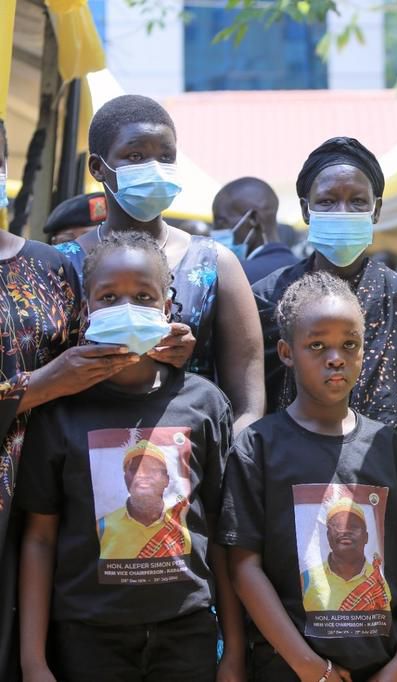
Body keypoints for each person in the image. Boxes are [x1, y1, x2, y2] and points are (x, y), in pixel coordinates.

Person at [17, 231, 244, 681]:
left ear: (166, 308)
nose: (126, 307)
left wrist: (234, 649)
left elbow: (220, 532)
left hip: (187, 633)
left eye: (143, 296)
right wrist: (33, 661)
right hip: (86, 638)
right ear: (86, 309)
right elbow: (40, 539)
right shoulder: (60, 411)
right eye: (108, 296)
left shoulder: (205, 404)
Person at [219, 271, 397, 682]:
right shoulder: (258, 448)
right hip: (290, 671)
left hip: (380, 670)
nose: (335, 357)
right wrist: (310, 666)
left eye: (348, 345)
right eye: (317, 345)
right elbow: (244, 567)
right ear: (285, 352)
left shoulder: (386, 446)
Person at [0, 119, 146, 680]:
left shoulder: (54, 267)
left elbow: (95, 373)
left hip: (54, 514)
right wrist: (37, 387)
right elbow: (59, 378)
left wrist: (158, 347)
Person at [57, 94, 265, 432]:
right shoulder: (61, 266)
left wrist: (225, 474)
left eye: (165, 156)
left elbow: (249, 405)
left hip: (191, 464)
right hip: (80, 462)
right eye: (136, 156)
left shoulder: (215, 263)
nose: (154, 168)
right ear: (97, 168)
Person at [253, 137, 397, 498]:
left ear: (376, 209)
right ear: (306, 211)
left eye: (357, 202)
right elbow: (254, 401)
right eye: (327, 201)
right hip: (292, 486)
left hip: (382, 487)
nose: (342, 211)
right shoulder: (268, 296)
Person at [98, 440, 191, 560]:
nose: (141, 475)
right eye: (134, 469)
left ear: (166, 479)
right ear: (125, 478)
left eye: (152, 469)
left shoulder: (183, 519)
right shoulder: (102, 526)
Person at [301, 498, 392, 613]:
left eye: (353, 526)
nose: (345, 531)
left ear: (366, 537)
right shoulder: (307, 578)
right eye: (337, 526)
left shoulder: (378, 581)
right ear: (328, 536)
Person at [212, 177, 298, 284]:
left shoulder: (233, 275)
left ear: (253, 219)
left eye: (221, 222)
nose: (214, 232)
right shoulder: (307, 270)